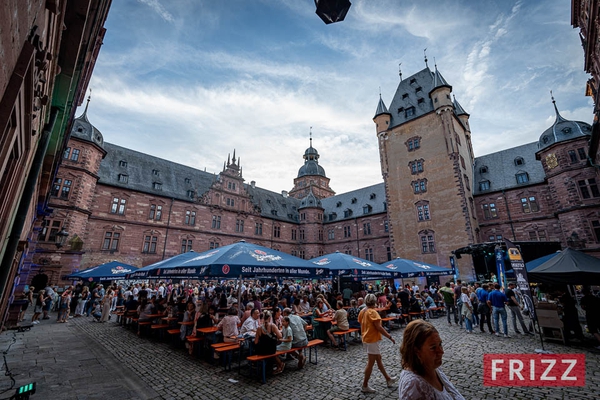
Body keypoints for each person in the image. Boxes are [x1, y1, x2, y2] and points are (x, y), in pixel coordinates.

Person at [398, 319, 465, 399]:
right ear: (417, 351)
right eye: (433, 348)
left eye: (440, 344)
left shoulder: (434, 368)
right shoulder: (414, 386)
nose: (441, 351)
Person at [358, 293, 397, 394]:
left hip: (366, 338)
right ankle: (365, 385)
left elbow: (361, 322)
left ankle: (388, 379)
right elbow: (379, 327)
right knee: (370, 363)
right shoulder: (373, 312)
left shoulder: (363, 311)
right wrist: (389, 336)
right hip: (371, 339)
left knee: (378, 359)